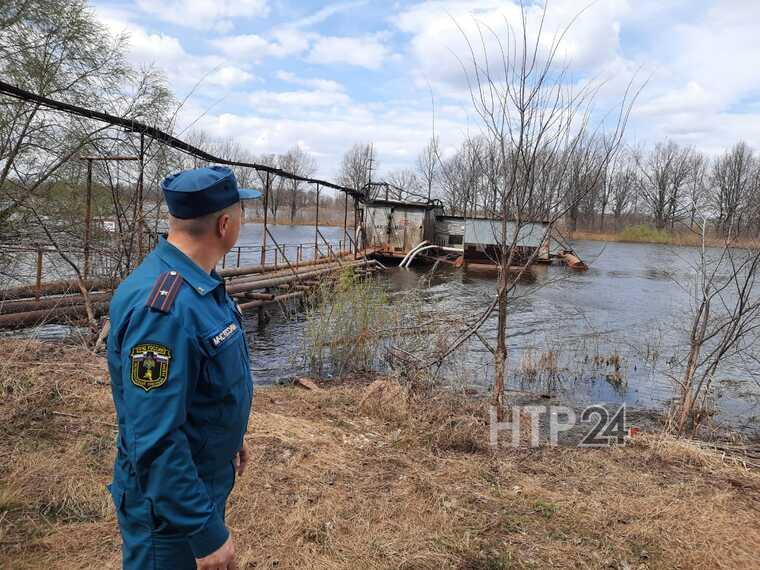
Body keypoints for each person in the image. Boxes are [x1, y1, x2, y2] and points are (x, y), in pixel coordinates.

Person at [106, 165, 262, 569]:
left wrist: (229, 436)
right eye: (241, 213)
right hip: (169, 514)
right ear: (225, 224)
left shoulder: (199, 285)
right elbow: (153, 436)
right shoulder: (164, 310)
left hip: (195, 482)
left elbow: (199, 385)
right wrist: (203, 531)